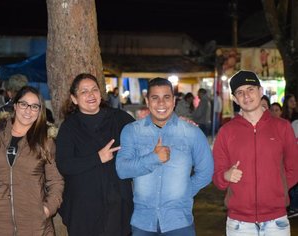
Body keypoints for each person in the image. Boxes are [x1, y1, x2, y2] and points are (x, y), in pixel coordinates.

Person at [116, 77, 213, 235]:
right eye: (155, 98)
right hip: (143, 222)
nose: (161, 103)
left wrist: (184, 192)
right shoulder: (132, 131)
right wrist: (154, 158)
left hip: (179, 221)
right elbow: (122, 169)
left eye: (166, 97)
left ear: (174, 101)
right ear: (147, 101)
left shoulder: (192, 133)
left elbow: (206, 172)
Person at [0, 86, 64, 236]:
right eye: (23, 104)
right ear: (15, 105)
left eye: (34, 106)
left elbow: (56, 181)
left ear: (40, 111)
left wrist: (46, 210)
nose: (28, 110)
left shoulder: (46, 140)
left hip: (36, 226)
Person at [213, 70, 298, 235]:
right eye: (240, 92)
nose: (246, 96)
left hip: (276, 220)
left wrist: (277, 188)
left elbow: (294, 167)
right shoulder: (226, 132)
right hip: (239, 223)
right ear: (235, 98)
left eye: (250, 89)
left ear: (260, 91)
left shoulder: (282, 127)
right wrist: (225, 176)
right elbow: (216, 173)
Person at [55, 73, 134, 236]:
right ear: (74, 98)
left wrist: (173, 122)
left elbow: (146, 134)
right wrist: (98, 157)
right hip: (84, 210)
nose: (91, 95)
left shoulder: (119, 118)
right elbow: (64, 165)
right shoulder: (69, 127)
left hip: (117, 207)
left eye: (94, 90)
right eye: (84, 91)